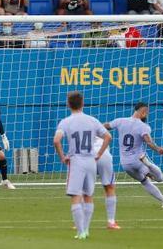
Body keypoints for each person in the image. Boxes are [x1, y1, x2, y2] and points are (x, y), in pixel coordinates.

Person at [53, 91, 112, 240]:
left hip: (77, 161)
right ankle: (86, 229)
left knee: (75, 196)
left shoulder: (66, 122)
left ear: (68, 104)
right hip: (91, 161)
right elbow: (108, 136)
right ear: (82, 103)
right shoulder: (92, 120)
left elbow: (56, 140)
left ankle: (80, 232)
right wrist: (99, 154)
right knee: (88, 195)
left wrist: (62, 157)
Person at [104, 103, 163, 208]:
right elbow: (148, 142)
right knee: (160, 178)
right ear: (143, 111)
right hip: (138, 161)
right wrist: (158, 149)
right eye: (147, 112)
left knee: (144, 181)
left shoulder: (120, 121)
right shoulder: (143, 127)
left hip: (125, 164)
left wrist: (93, 130)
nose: (147, 115)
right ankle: (148, 163)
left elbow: (104, 127)